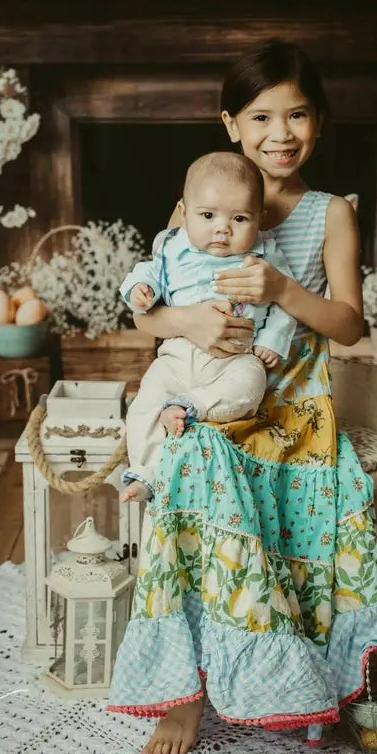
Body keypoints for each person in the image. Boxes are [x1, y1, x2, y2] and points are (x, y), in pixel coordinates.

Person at [106, 38, 377, 754]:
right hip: (200, 374)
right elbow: (149, 307)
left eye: (297, 116)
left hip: (287, 391)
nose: (281, 134)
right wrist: (186, 320)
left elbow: (351, 324)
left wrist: (283, 291)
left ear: (321, 122)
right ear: (231, 124)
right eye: (262, 117)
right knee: (188, 458)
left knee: (216, 455)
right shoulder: (208, 196)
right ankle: (186, 691)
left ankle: (291, 672)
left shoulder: (328, 212)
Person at [118, 151, 298, 503]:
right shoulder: (170, 245)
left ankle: (190, 406)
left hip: (235, 357)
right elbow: (146, 273)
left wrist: (274, 339)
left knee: (250, 385)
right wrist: (140, 290)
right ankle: (145, 473)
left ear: (259, 220)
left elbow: (285, 302)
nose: (222, 228)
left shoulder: (265, 253)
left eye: (240, 218)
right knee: (144, 403)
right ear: (184, 213)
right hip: (176, 354)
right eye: (208, 215)